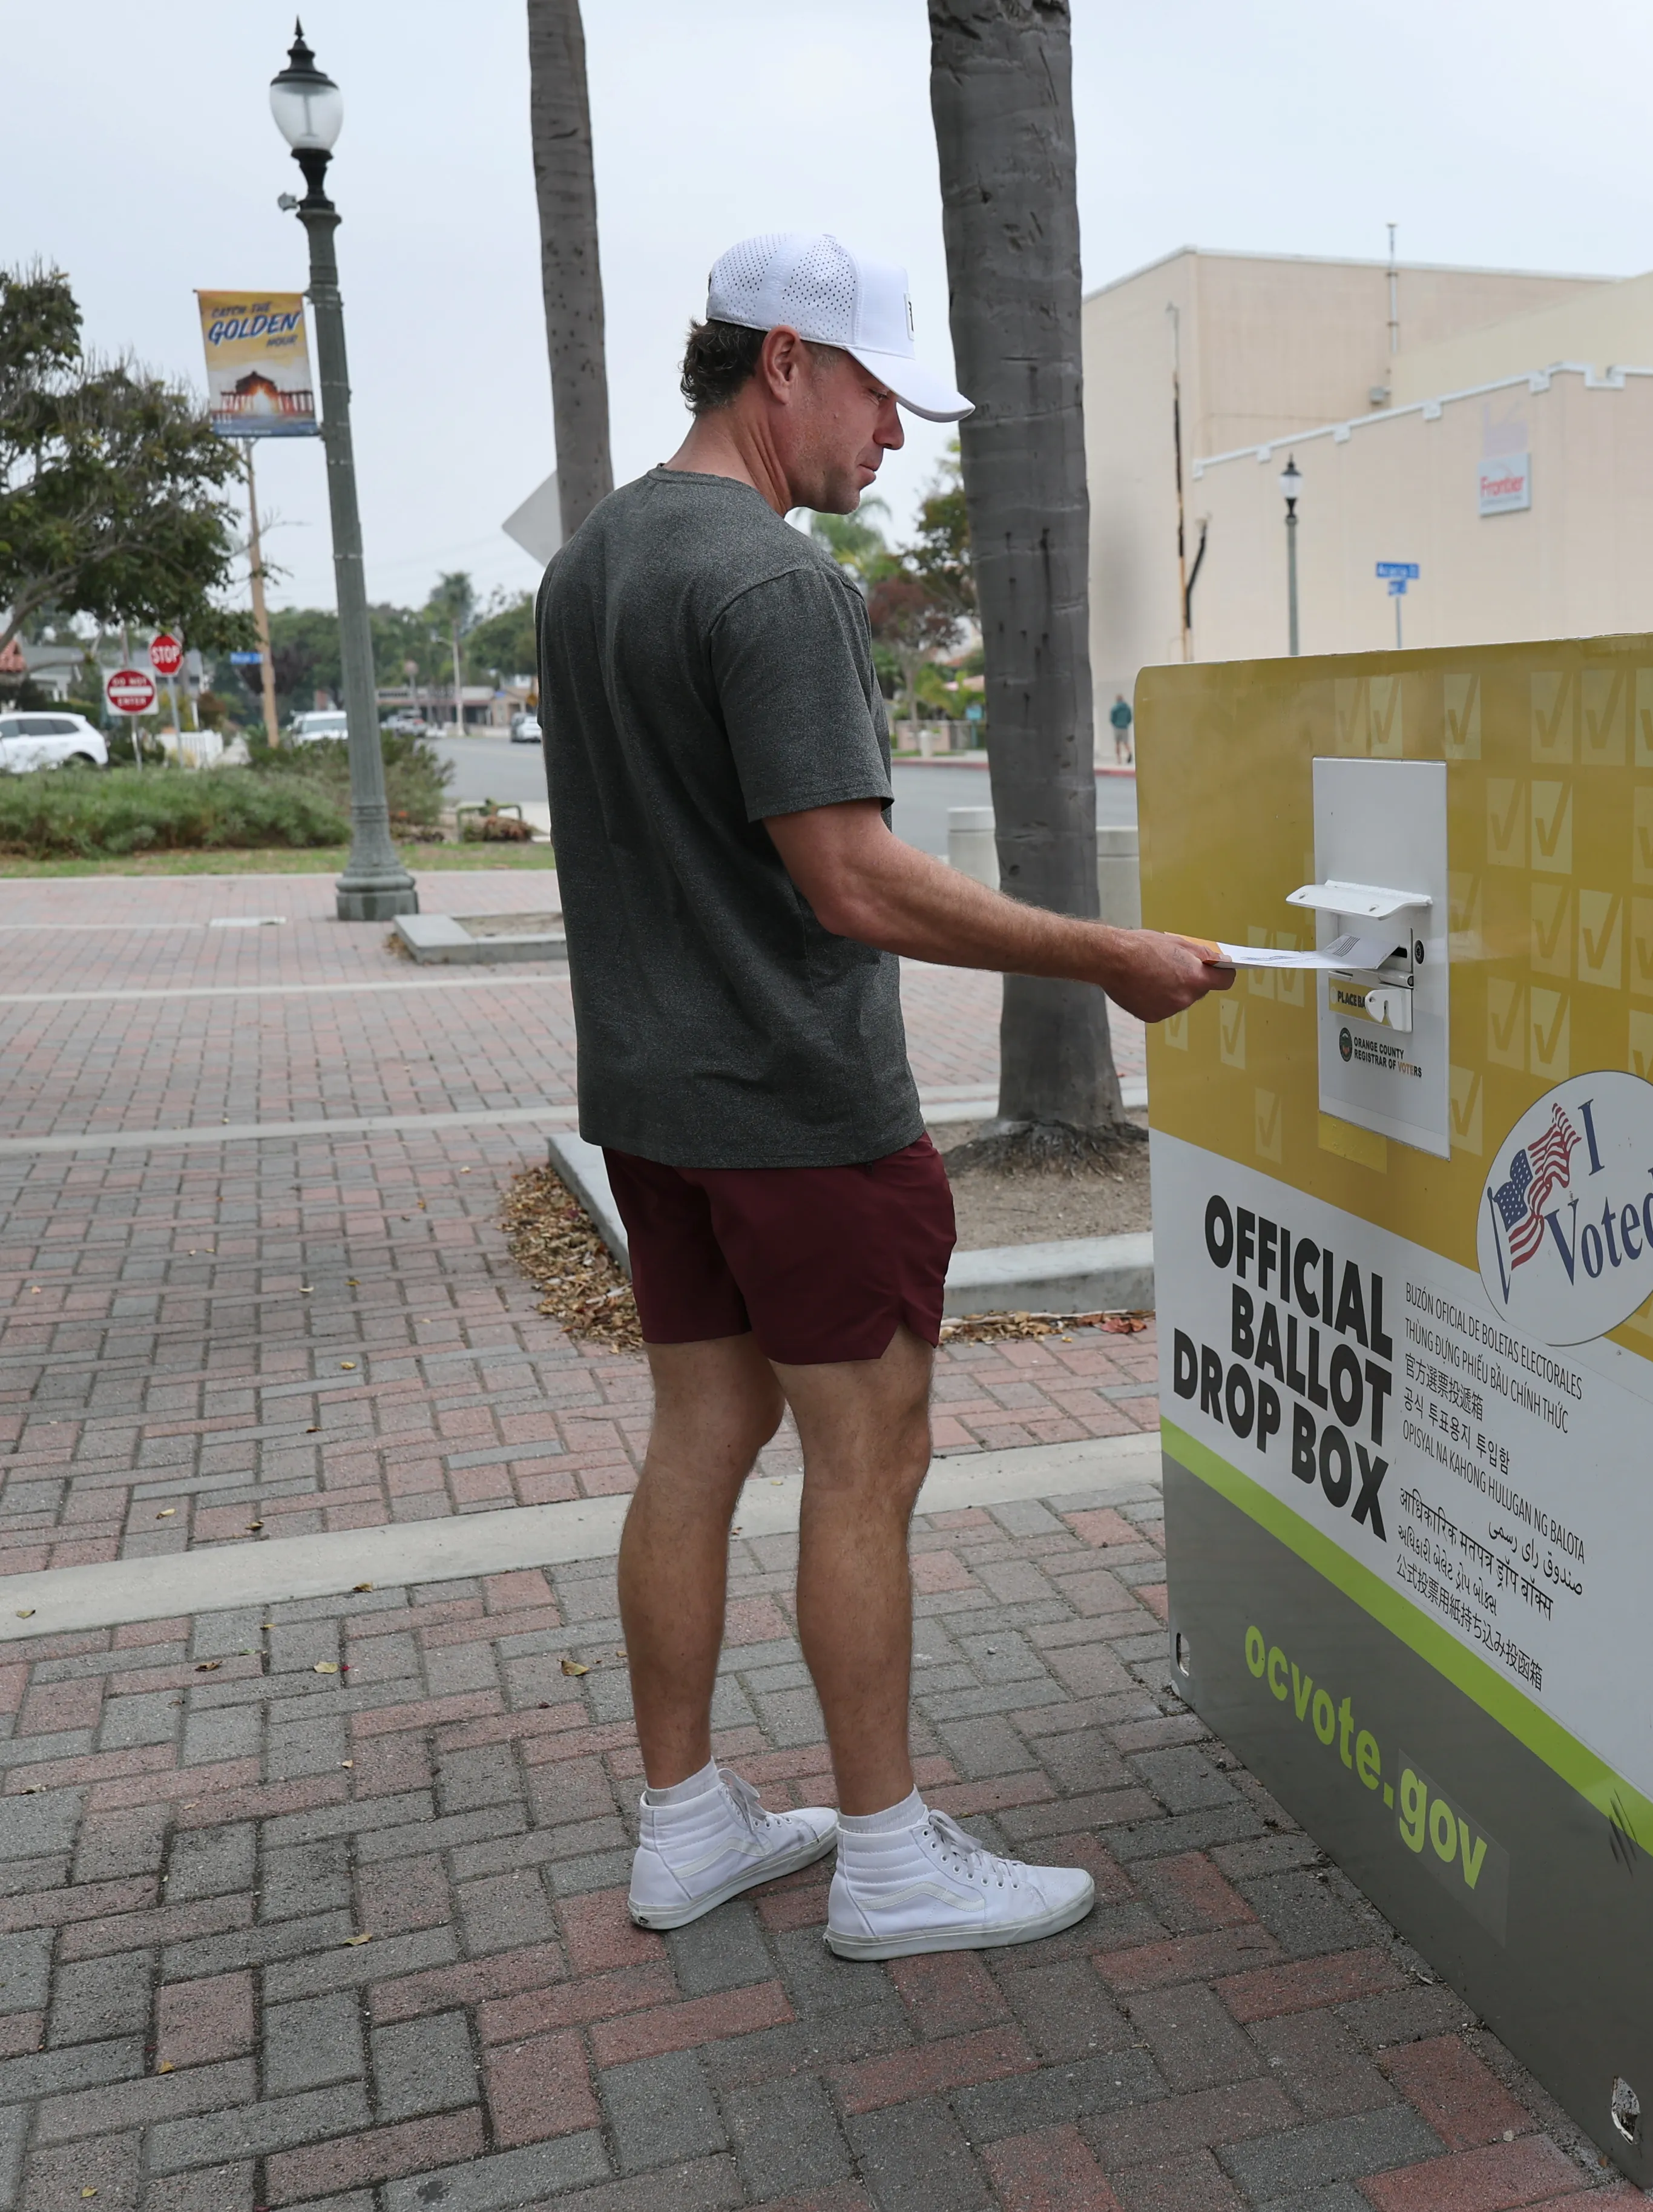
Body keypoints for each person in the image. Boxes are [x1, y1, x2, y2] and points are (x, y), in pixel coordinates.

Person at [533, 232, 1232, 1960]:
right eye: (877, 398)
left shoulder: (596, 558)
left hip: (654, 1098)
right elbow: (851, 878)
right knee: (872, 1457)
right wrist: (1110, 955)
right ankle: (893, 1856)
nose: (893, 439)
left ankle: (685, 1823)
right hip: (800, 1106)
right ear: (785, 362)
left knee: (699, 1439)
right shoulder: (778, 584)